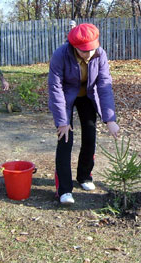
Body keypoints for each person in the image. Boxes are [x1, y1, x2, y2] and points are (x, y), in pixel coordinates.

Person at [48, 23, 119, 205]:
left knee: (90, 135)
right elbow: (55, 88)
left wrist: (110, 118)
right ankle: (63, 189)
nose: (88, 54)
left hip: (87, 95)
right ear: (74, 46)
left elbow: (104, 85)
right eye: (84, 51)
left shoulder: (100, 54)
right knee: (65, 139)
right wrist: (63, 121)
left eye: (91, 49)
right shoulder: (60, 55)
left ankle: (84, 176)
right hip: (65, 97)